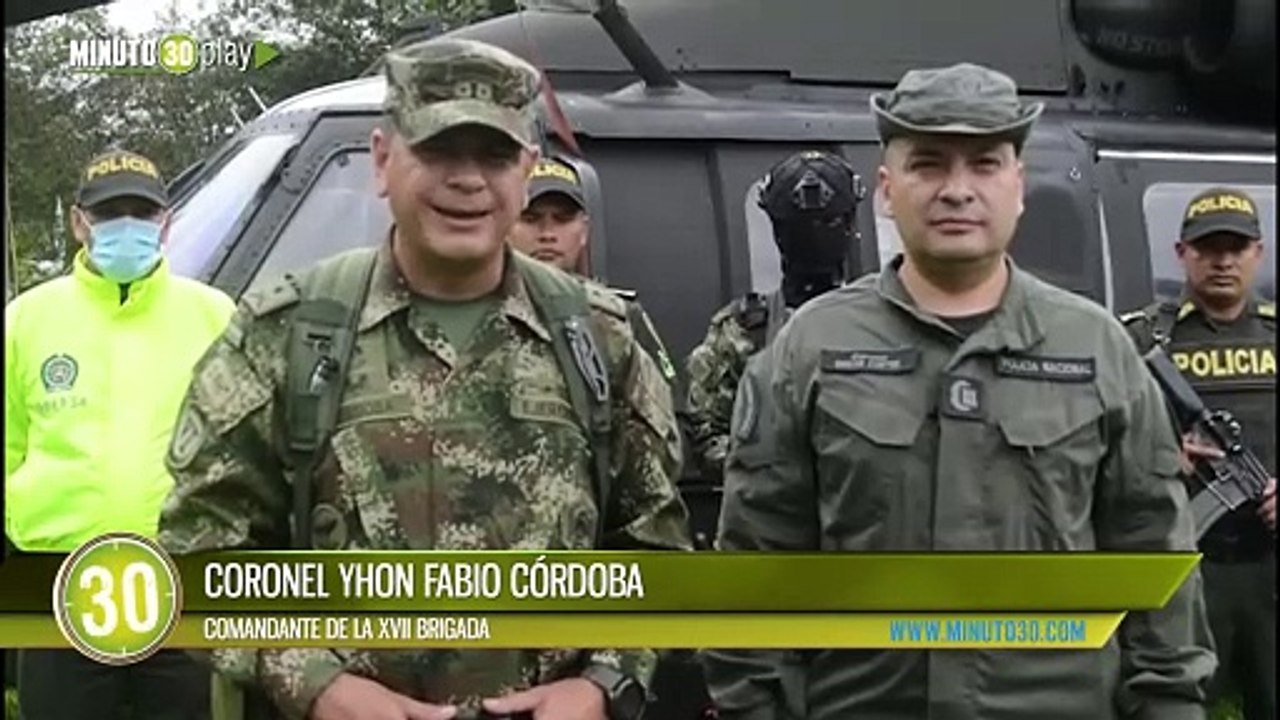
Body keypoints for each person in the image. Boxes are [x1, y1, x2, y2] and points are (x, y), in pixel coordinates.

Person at [156, 37, 692, 720]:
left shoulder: (598, 337)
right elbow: (199, 550)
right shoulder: (287, 333)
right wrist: (318, 685)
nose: (467, 180)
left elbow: (656, 548)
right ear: (383, 161)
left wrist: (601, 685)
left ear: (527, 170)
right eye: (438, 151)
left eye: (495, 156)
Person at [701, 62, 1216, 719]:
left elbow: (1155, 560)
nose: (957, 190)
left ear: (1019, 185)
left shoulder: (1096, 349)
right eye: (929, 164)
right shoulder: (809, 349)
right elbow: (756, 562)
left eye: (984, 164)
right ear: (888, 189)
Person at [5, 149, 234, 720]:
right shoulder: (26, 320)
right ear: (79, 222)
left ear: (166, 222)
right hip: (58, 588)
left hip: (184, 585)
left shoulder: (215, 316)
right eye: (110, 214)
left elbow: (244, 449)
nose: (125, 226)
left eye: (141, 211)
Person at [1120, 186, 1276, 720]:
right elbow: (1097, 445)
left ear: (1258, 252)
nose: (1224, 261)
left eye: (1237, 247)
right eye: (1209, 248)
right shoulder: (1143, 340)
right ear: (1182, 253)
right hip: (1188, 569)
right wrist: (1157, 460)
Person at [683, 150, 862, 483]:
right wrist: (779, 473)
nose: (815, 235)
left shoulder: (881, 323)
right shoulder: (743, 331)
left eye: (829, 223)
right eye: (800, 226)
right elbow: (708, 438)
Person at [509, 154, 678, 384]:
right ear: (505, 224)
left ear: (584, 231)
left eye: (562, 219)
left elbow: (672, 411)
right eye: (530, 218)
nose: (547, 234)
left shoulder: (618, 318)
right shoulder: (477, 309)